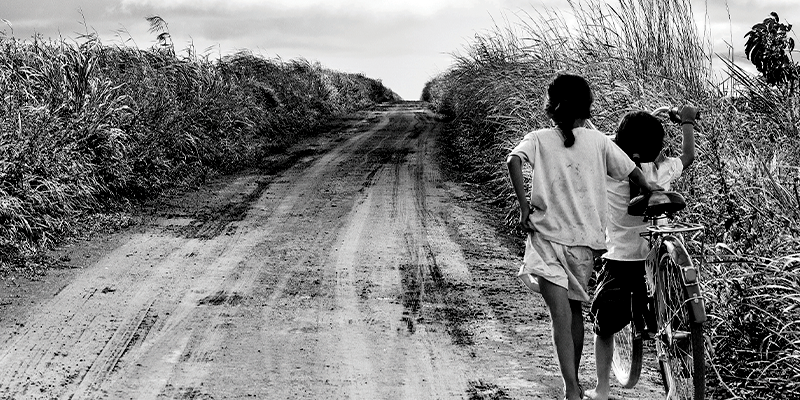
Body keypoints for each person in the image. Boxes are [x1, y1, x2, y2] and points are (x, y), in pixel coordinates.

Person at [506, 74, 662, 400]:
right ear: (587, 108)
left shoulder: (538, 138)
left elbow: (514, 161)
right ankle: (573, 385)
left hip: (547, 241)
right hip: (585, 248)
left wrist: (524, 206)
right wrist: (651, 190)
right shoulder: (600, 142)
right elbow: (633, 172)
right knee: (573, 313)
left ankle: (571, 388)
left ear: (551, 107)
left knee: (560, 317)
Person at [584, 105, 698, 400]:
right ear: (657, 148)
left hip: (622, 259)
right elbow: (688, 155)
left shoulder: (610, 169)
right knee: (670, 312)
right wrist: (686, 121)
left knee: (604, 325)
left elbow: (601, 142)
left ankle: (602, 388)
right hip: (656, 256)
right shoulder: (662, 169)